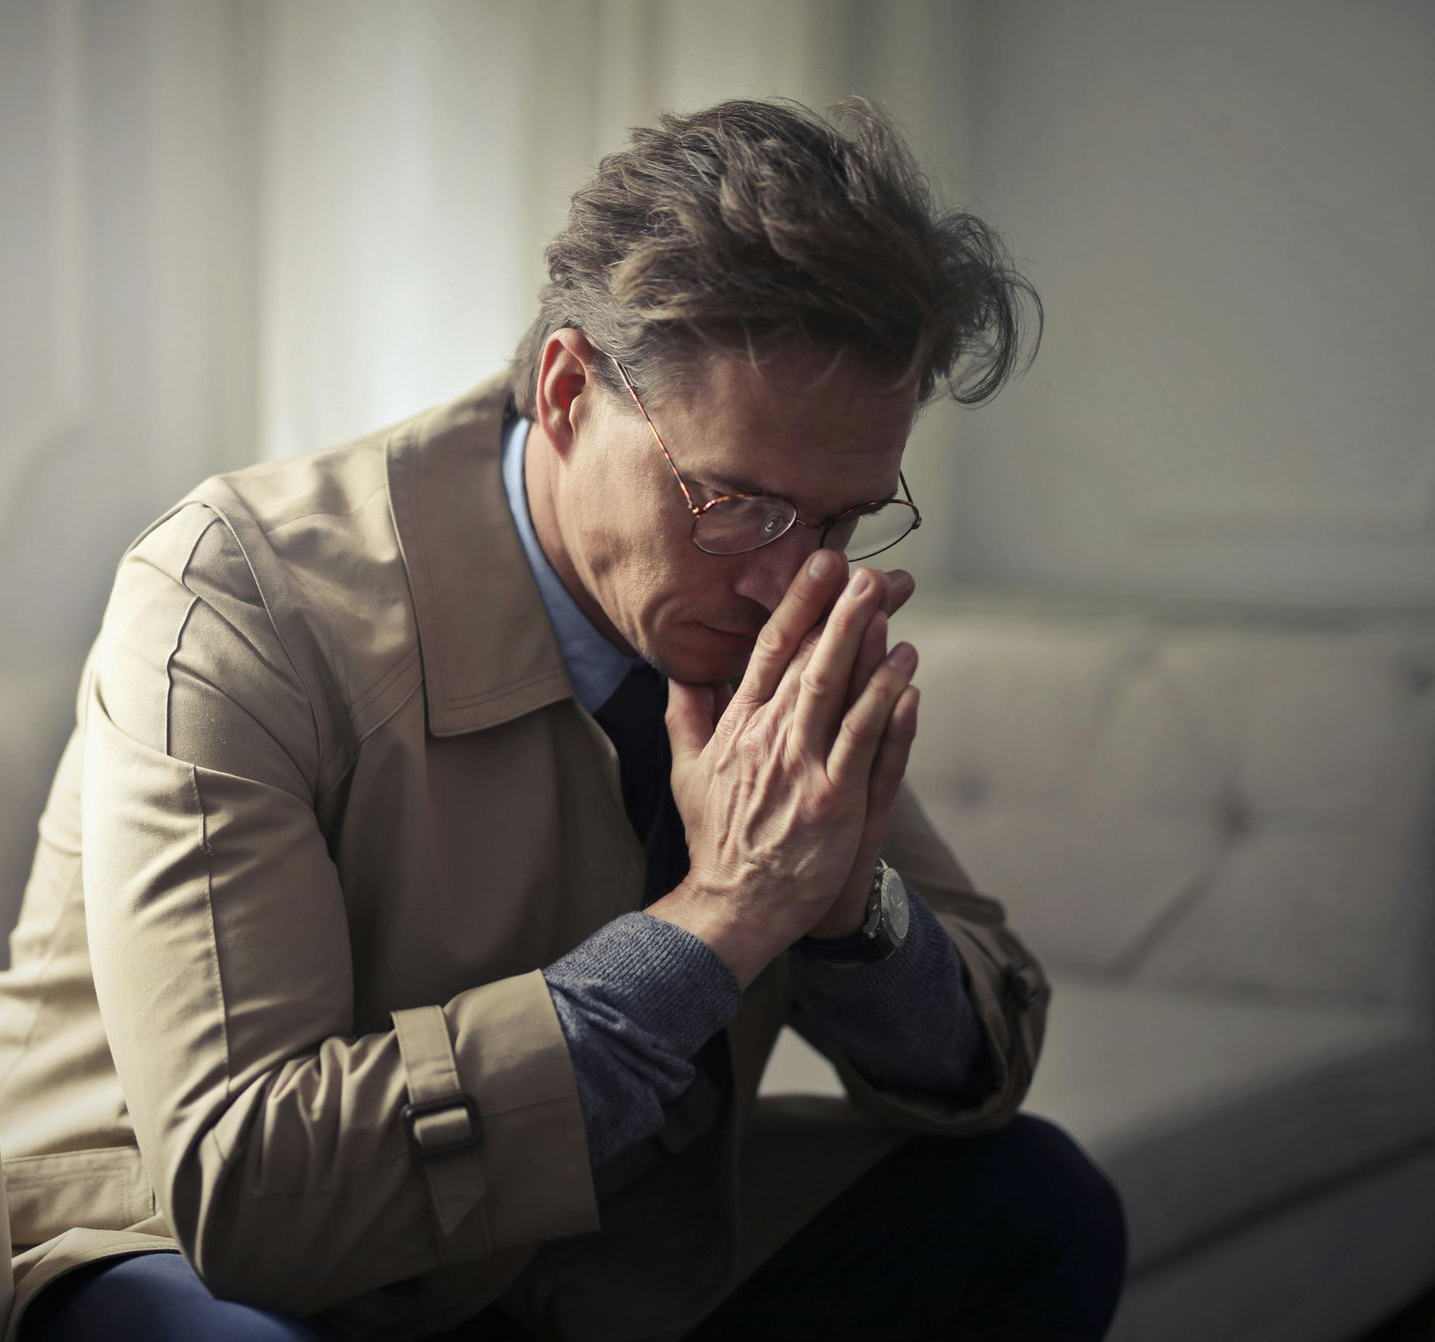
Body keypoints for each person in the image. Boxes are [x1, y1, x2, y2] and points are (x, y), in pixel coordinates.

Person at [0, 96, 1127, 1341]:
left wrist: (847, 906)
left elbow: (982, 1055)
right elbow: (253, 1189)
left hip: (580, 1242)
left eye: (843, 519)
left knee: (1037, 1202)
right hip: (179, 1254)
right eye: (736, 502)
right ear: (569, 385)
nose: (788, 578)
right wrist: (726, 918)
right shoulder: (233, 593)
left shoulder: (765, 607)